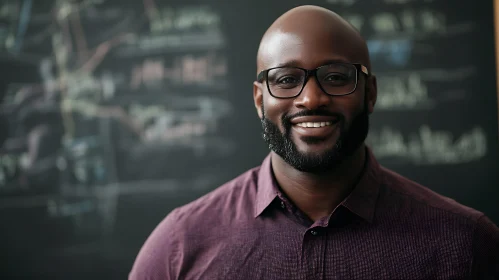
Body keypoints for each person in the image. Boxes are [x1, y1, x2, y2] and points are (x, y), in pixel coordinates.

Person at [129, 5, 499, 279]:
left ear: (369, 93)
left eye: (336, 77)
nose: (311, 98)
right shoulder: (181, 246)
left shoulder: (466, 245)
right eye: (287, 80)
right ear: (260, 100)